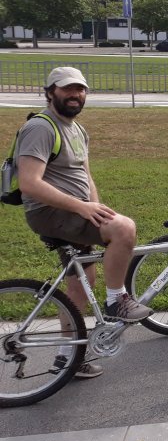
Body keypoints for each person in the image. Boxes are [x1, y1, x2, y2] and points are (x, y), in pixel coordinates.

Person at [15, 67, 152, 380]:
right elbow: (29, 183)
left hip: (73, 213)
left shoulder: (77, 129)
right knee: (124, 229)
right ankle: (117, 300)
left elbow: (85, 177)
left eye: (80, 90)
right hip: (50, 212)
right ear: (50, 92)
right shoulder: (41, 127)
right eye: (67, 89)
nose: (75, 95)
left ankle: (68, 358)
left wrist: (98, 208)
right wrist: (85, 208)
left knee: (81, 284)